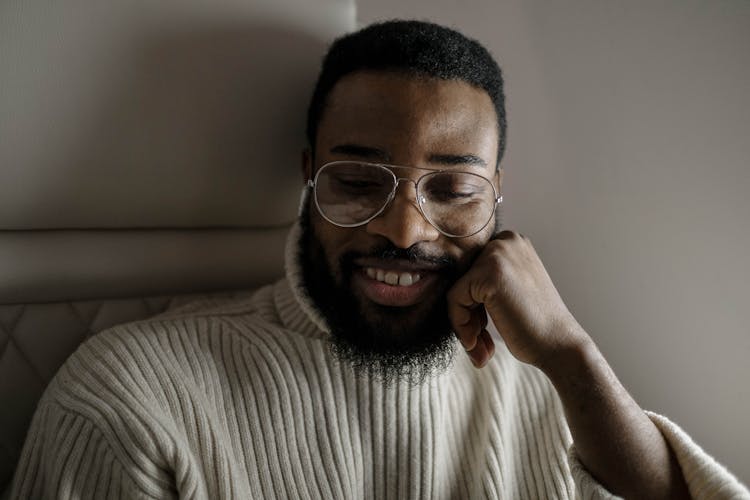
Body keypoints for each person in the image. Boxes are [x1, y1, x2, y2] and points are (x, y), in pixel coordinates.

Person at [11, 20, 749, 499]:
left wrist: (568, 351)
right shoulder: (128, 398)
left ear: (496, 196)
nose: (403, 229)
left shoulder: (544, 385)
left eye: (453, 189)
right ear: (309, 175)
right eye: (359, 182)